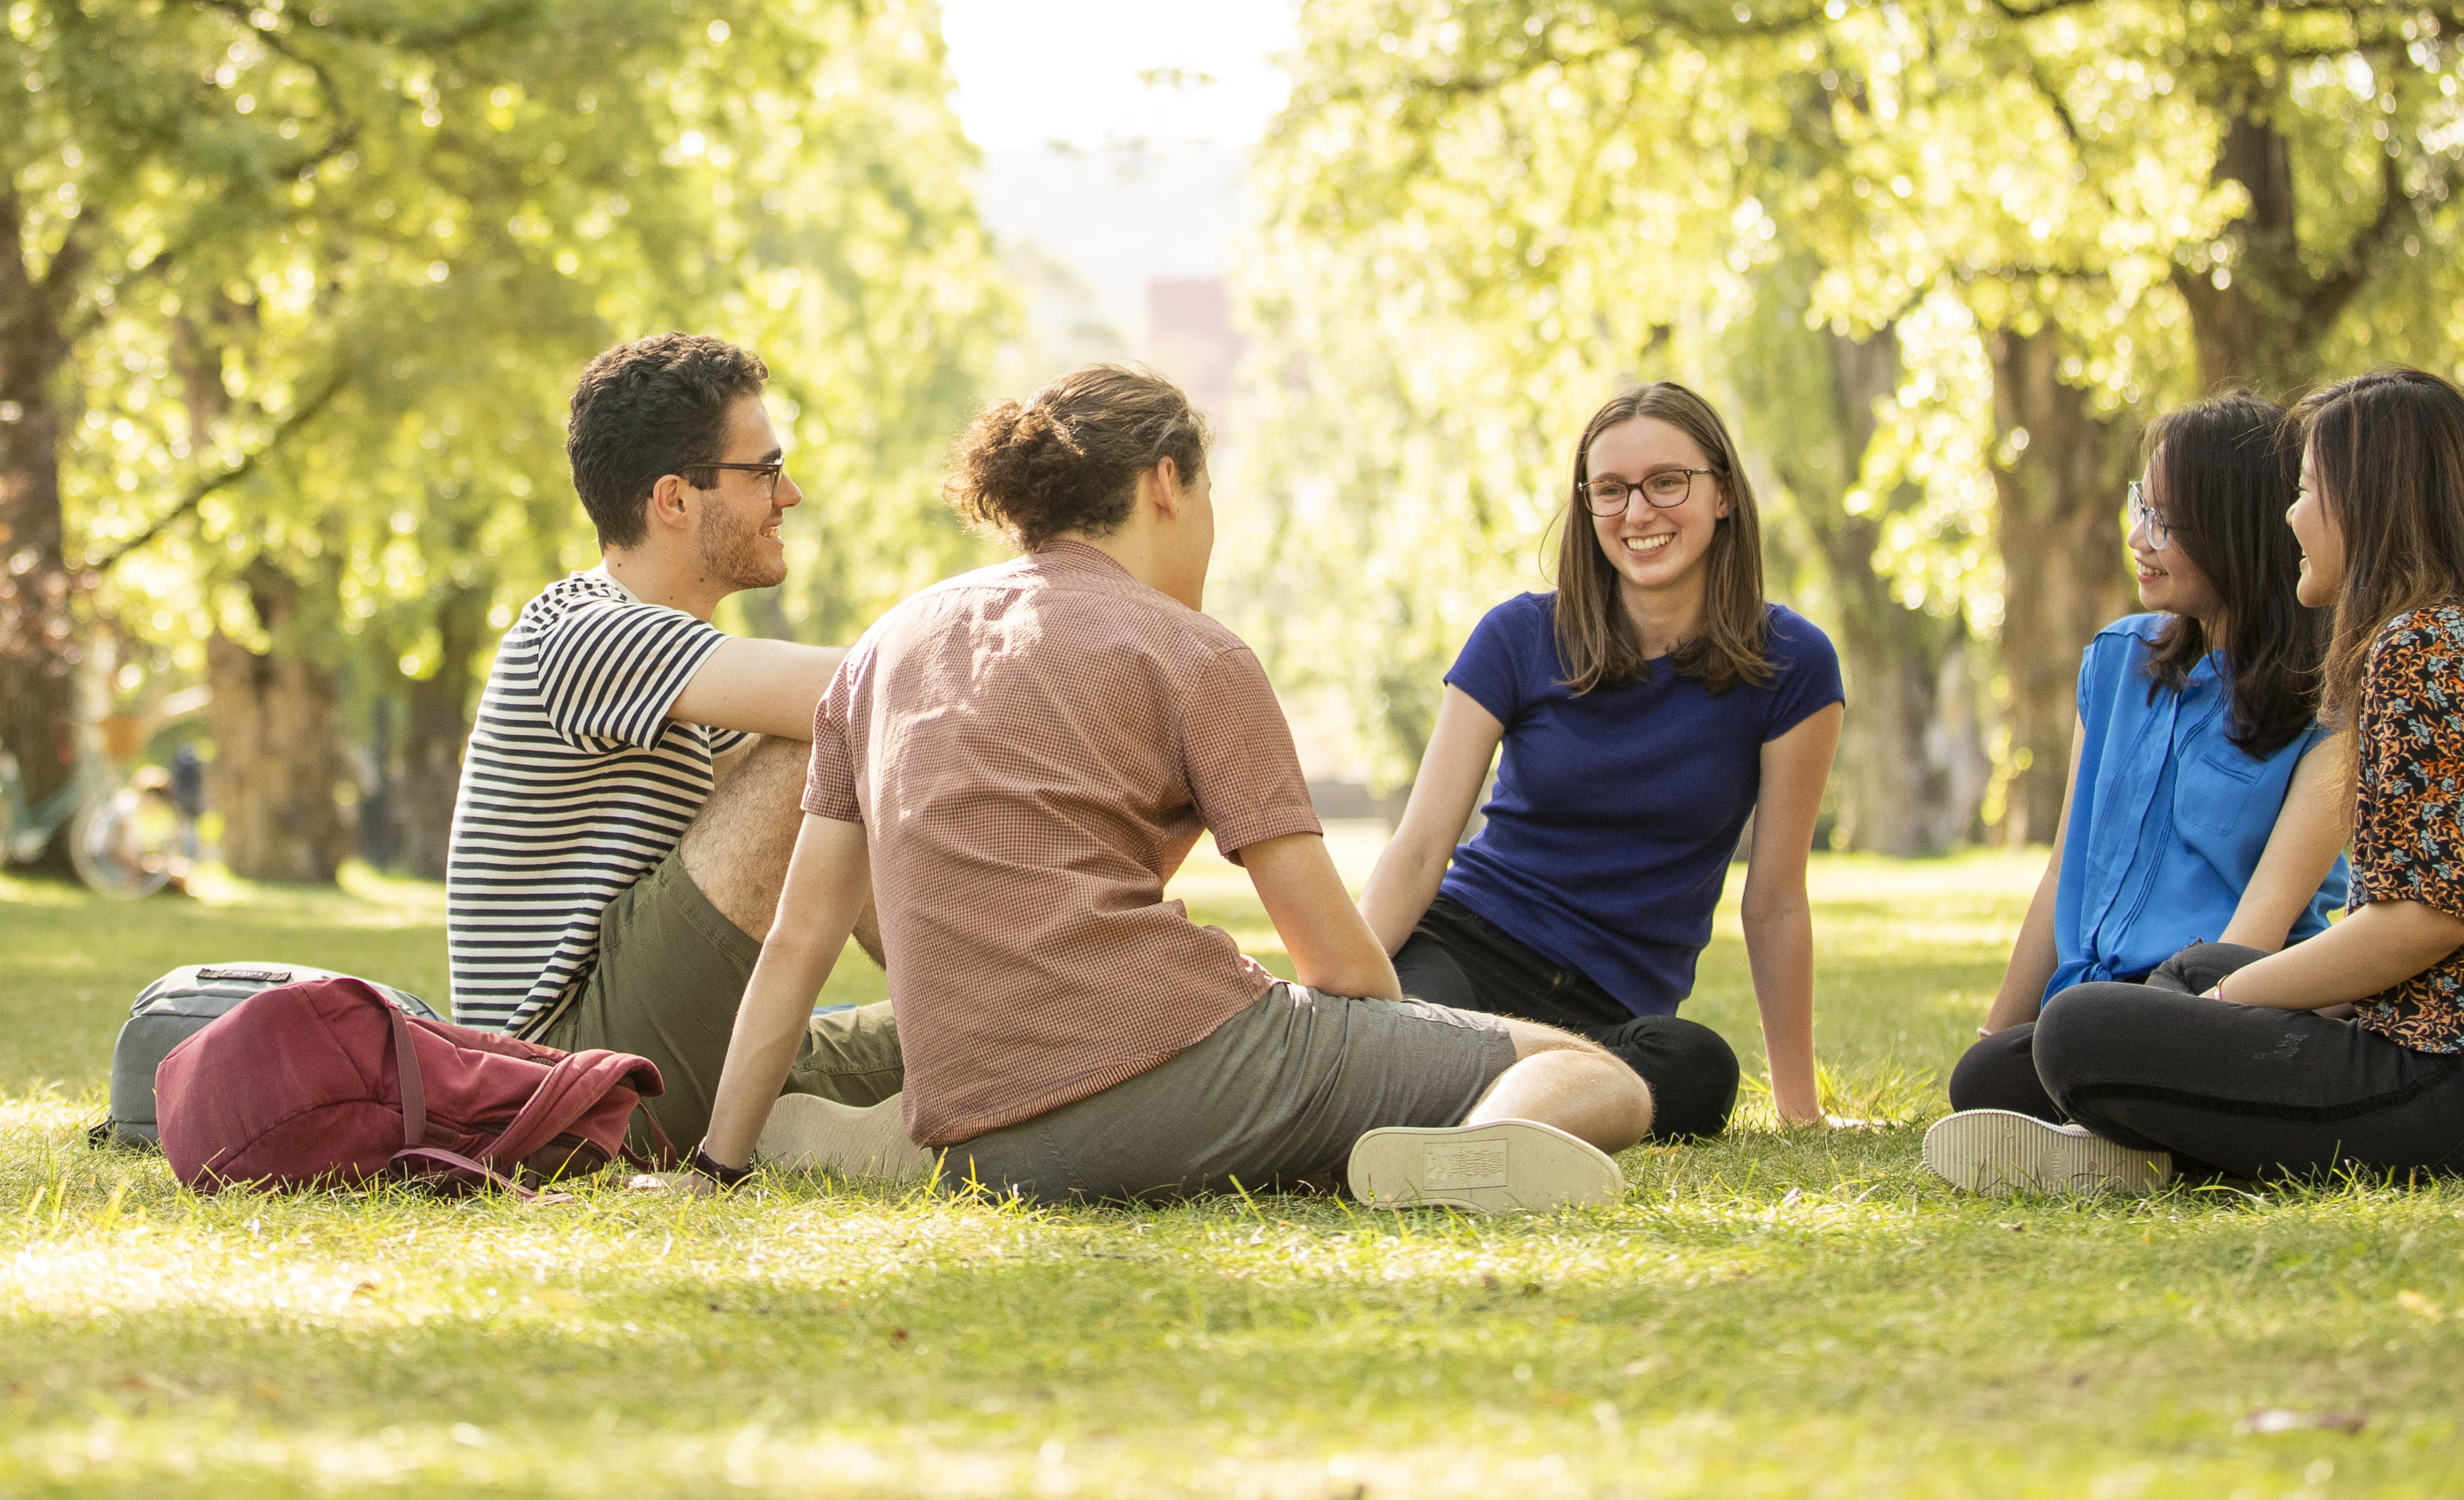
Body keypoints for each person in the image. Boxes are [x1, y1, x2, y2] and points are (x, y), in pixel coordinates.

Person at [669, 365, 1641, 1211]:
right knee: (1592, 1072)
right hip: (1158, 1062)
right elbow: (1339, 966)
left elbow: (799, 941)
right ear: (1164, 482)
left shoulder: (885, 645)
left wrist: (716, 1164)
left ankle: (889, 1137)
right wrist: (1389, 1051)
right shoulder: (1195, 652)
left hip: (973, 1122)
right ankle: (1462, 1155)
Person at [1936, 367, 2464, 1193]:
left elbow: (2418, 921)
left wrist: (2224, 1003)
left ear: (2369, 502)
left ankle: (2154, 1149)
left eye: (2308, 491)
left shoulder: (2419, 648)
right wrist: (2215, 993)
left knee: (2081, 1034)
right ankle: (2144, 1137)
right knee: (2110, 1019)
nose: (2291, 516)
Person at [442, 333, 902, 1164]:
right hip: (564, 1083)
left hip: (660, 1043)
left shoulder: (681, 667)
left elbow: (825, 820)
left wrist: (960, 991)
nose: (788, 494)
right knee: (825, 735)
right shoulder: (579, 632)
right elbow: (868, 694)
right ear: (674, 499)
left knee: (972, 1036)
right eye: (764, 470)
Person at [1353, 381, 1844, 1139]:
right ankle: (1487, 1119)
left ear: (1722, 495)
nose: (1638, 512)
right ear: (1587, 507)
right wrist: (1322, 1002)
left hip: (1611, 1016)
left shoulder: (1794, 664)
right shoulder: (1516, 636)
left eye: (1667, 482)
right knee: (1420, 1027)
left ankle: (1470, 1125)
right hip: (1465, 953)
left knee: (1698, 1069)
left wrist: (1800, 1110)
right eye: (1610, 490)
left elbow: (1775, 900)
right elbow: (1420, 851)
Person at [1940, 392, 2351, 1125]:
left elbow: (2252, 939)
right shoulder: (2117, 663)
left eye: (2164, 519)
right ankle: (2112, 1124)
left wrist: (2163, 1027)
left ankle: (2121, 1124)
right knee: (1988, 1077)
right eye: (2140, 504)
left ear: (2238, 529)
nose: (2138, 536)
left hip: (2226, 1004)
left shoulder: (2324, 708)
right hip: (2092, 1013)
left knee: (2087, 1045)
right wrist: (1994, 1037)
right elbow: (2065, 866)